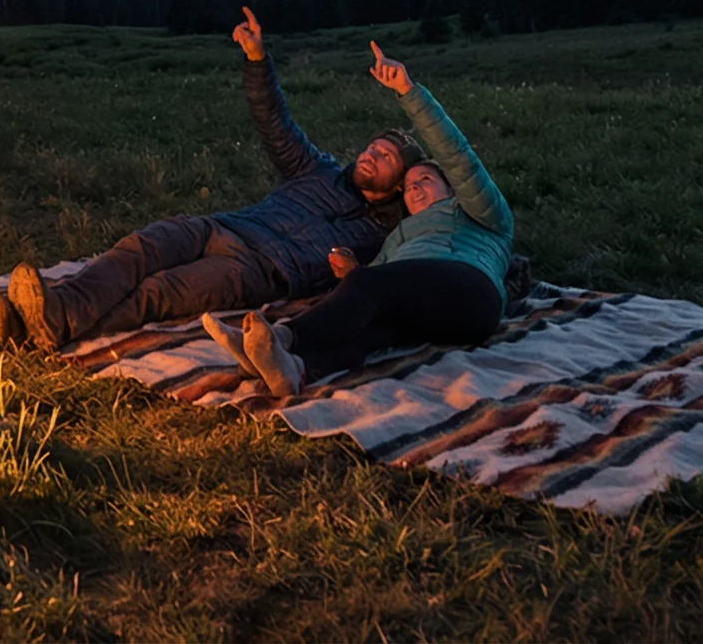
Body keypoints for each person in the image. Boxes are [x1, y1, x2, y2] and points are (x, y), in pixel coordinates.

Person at [0, 6, 422, 351]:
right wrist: (257, 60)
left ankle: (30, 331)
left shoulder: (385, 236)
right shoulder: (318, 169)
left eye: (385, 157)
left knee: (160, 292)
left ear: (401, 182)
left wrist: (350, 272)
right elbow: (275, 124)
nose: (371, 155)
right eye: (371, 147)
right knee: (140, 249)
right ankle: (56, 311)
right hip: (223, 226)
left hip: (258, 269)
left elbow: (380, 284)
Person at [207, 40, 514, 394]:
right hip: (434, 315)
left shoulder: (480, 212)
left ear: (451, 187)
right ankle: (293, 369)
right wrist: (351, 271)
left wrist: (408, 92)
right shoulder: (399, 235)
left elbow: (457, 156)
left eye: (426, 180)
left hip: (471, 292)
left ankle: (282, 337)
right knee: (370, 329)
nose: (415, 187)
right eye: (409, 185)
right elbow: (376, 282)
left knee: (368, 285)